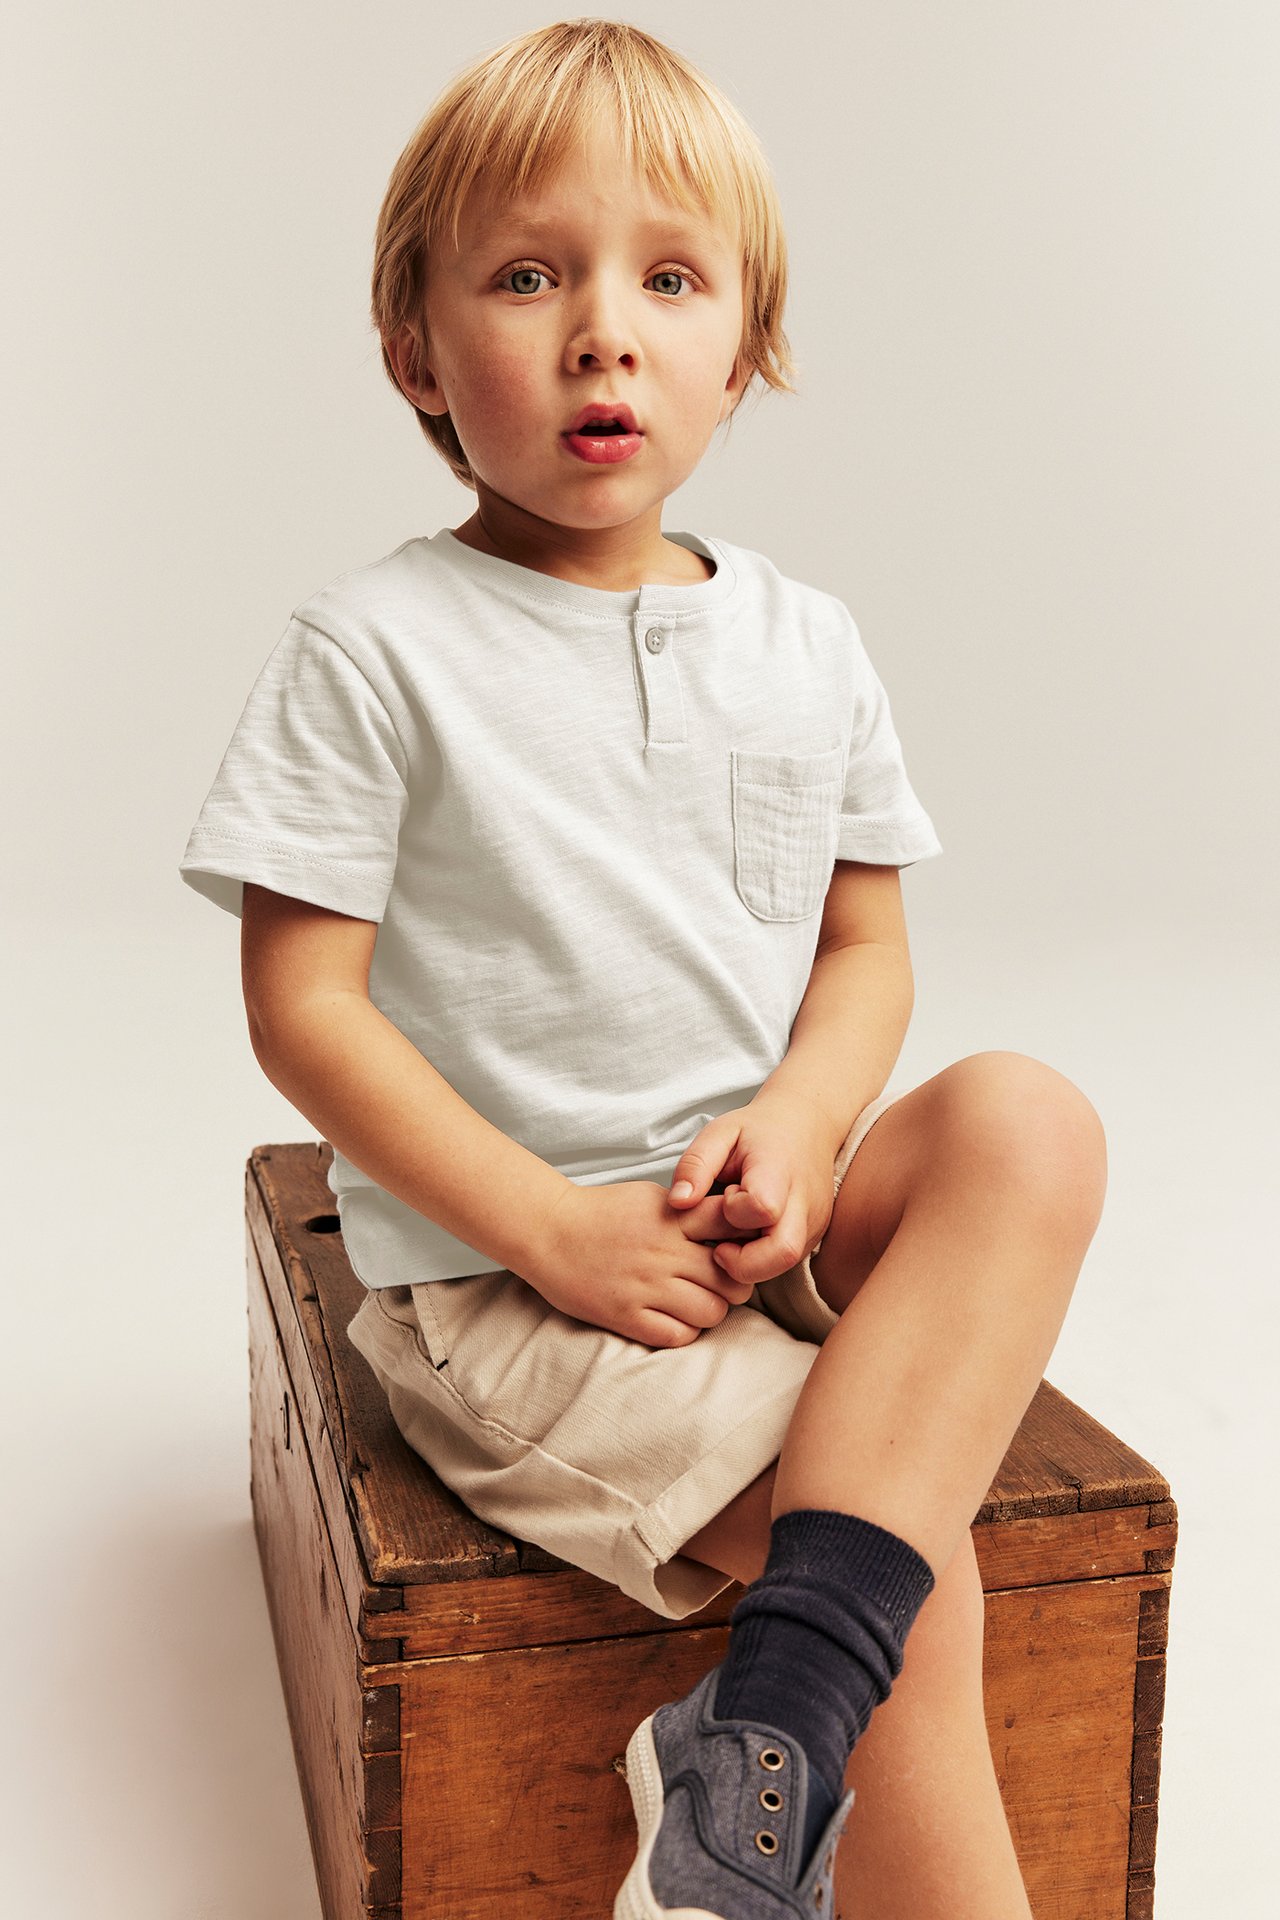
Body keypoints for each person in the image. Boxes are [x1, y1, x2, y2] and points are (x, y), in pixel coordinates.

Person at [179, 19, 1107, 1918]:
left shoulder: (805, 638)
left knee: (1030, 1120)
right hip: (532, 1289)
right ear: (414, 347)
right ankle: (813, 1704)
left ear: (744, 343)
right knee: (913, 1583)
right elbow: (306, 1007)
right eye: (529, 276)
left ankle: (760, 1708)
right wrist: (549, 1229)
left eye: (668, 279)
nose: (604, 330)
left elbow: (863, 949)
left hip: (757, 1224)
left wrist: (801, 1117)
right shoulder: (376, 646)